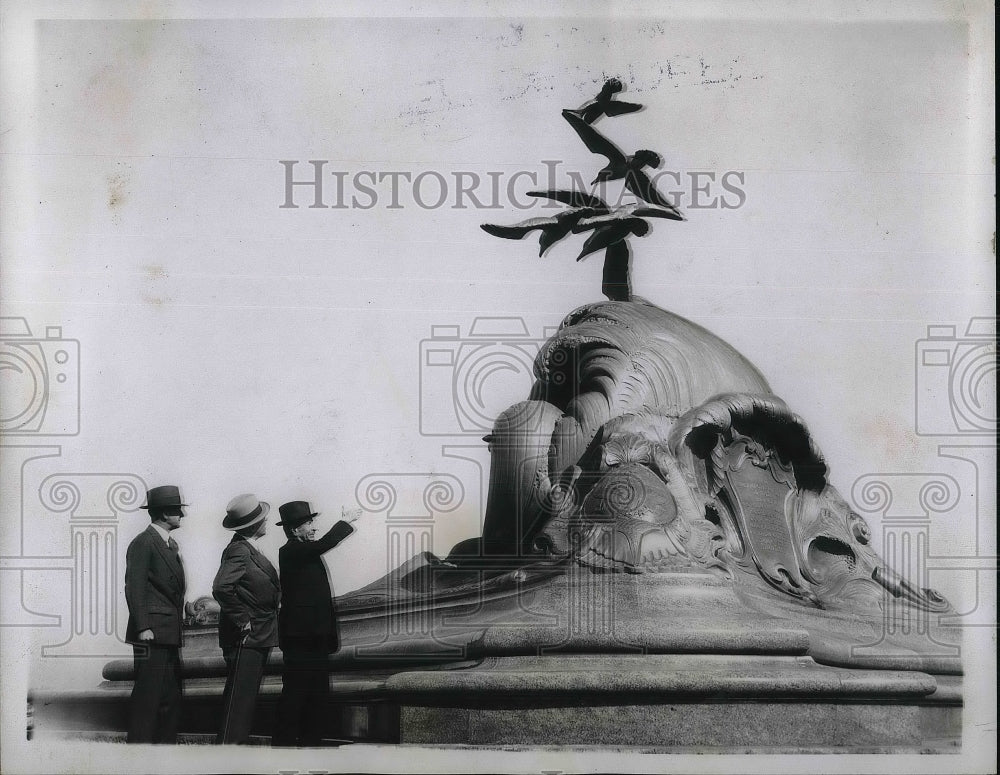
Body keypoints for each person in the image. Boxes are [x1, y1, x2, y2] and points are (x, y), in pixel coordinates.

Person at [272, 500, 358, 747]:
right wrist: (346, 521)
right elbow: (324, 544)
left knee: (317, 697)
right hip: (301, 639)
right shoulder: (289, 551)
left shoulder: (304, 550)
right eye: (308, 523)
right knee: (295, 696)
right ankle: (282, 749)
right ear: (293, 529)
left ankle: (310, 747)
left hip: (315, 638)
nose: (313, 527)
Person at [212, 493, 279, 744]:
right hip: (246, 637)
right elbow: (221, 588)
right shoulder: (239, 550)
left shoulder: (247, 548)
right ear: (252, 525)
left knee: (243, 702)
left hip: (256, 636)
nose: (266, 521)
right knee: (238, 705)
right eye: (263, 518)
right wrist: (243, 619)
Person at [124, 485, 187, 744]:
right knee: (148, 700)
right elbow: (134, 586)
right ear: (162, 513)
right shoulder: (143, 542)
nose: (182, 515)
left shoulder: (168, 543)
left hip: (168, 632)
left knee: (169, 698)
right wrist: (143, 626)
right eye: (177, 510)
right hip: (152, 634)